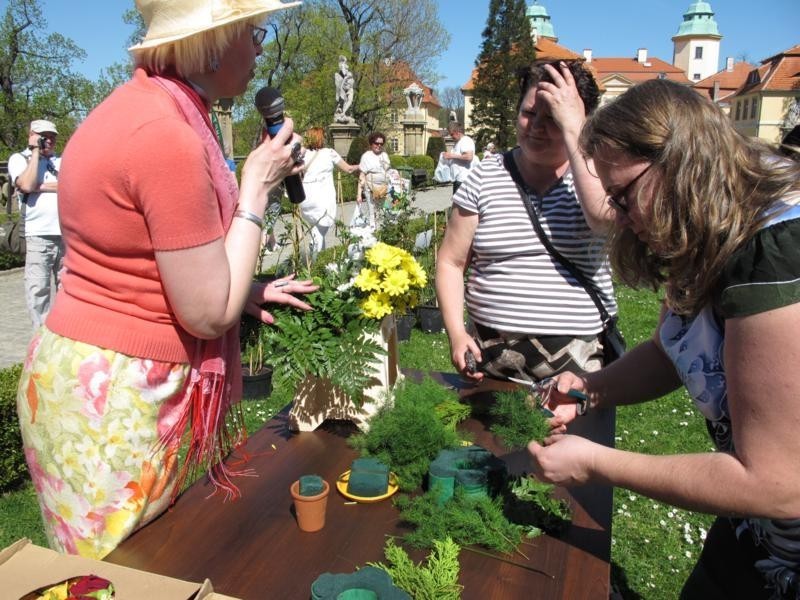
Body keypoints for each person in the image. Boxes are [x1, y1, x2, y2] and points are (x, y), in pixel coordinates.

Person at [15, 0, 316, 560]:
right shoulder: (166, 135)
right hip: (113, 405)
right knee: (125, 579)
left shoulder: (137, 109)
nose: (259, 46)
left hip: (84, 378)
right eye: (252, 32)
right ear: (211, 41)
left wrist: (242, 288)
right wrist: (256, 187)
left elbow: (139, 258)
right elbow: (205, 313)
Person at [529, 79, 800, 599]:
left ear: (679, 161)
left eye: (625, 197)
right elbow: (670, 350)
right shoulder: (708, 232)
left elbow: (774, 482)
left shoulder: (773, 252)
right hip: (754, 539)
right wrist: (591, 389)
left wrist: (593, 461)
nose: (623, 221)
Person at [436, 60, 615, 383]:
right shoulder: (486, 175)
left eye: (552, 118)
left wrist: (577, 134)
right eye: (529, 113)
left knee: (570, 436)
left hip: (575, 364)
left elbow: (603, 217)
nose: (536, 127)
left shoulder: (599, 173)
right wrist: (456, 332)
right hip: (490, 356)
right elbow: (451, 261)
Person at [7, 119, 63, 329]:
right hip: (37, 236)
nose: (49, 140)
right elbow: (26, 183)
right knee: (38, 290)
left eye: (52, 136)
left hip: (65, 235)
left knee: (67, 289)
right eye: (44, 136)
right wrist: (35, 153)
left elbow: (69, 184)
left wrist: (38, 187)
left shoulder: (61, 161)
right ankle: (40, 338)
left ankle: (62, 335)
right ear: (33, 136)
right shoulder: (19, 159)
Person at [299, 126, 358, 256]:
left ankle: (320, 258)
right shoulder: (329, 152)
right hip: (322, 196)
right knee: (319, 231)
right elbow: (348, 169)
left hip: (305, 196)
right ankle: (315, 260)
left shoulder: (303, 154)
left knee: (316, 229)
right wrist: (362, 165)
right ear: (321, 138)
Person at [358, 131, 391, 229]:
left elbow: (388, 170)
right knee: (372, 212)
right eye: (376, 143)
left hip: (385, 189)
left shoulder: (384, 155)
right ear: (371, 143)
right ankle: (374, 231)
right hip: (371, 189)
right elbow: (361, 175)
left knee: (386, 209)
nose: (379, 145)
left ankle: (385, 230)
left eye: (381, 143)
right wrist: (359, 194)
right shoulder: (366, 156)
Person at [441, 123, 476, 194]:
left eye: (452, 134)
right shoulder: (458, 142)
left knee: (459, 204)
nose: (451, 137)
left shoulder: (465, 140)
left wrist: (451, 156)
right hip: (458, 179)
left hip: (463, 180)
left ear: (458, 132)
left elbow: (469, 157)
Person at [334, 55, 355, 124]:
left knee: (350, 101)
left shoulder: (349, 73)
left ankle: (344, 113)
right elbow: (343, 72)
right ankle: (343, 113)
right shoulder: (340, 75)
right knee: (345, 101)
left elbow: (345, 73)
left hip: (350, 90)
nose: (345, 69)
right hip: (345, 90)